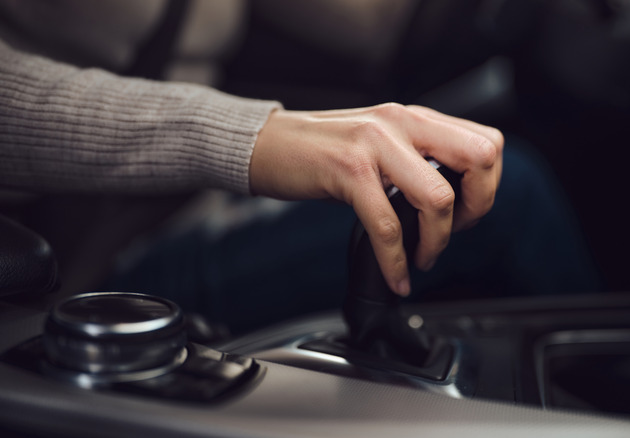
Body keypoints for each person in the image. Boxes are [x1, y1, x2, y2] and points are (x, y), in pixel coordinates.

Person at [0, 0, 599, 333]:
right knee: (514, 194)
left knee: (477, 170)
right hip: (76, 264)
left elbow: (376, 26)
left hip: (190, 208)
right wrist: (250, 139)